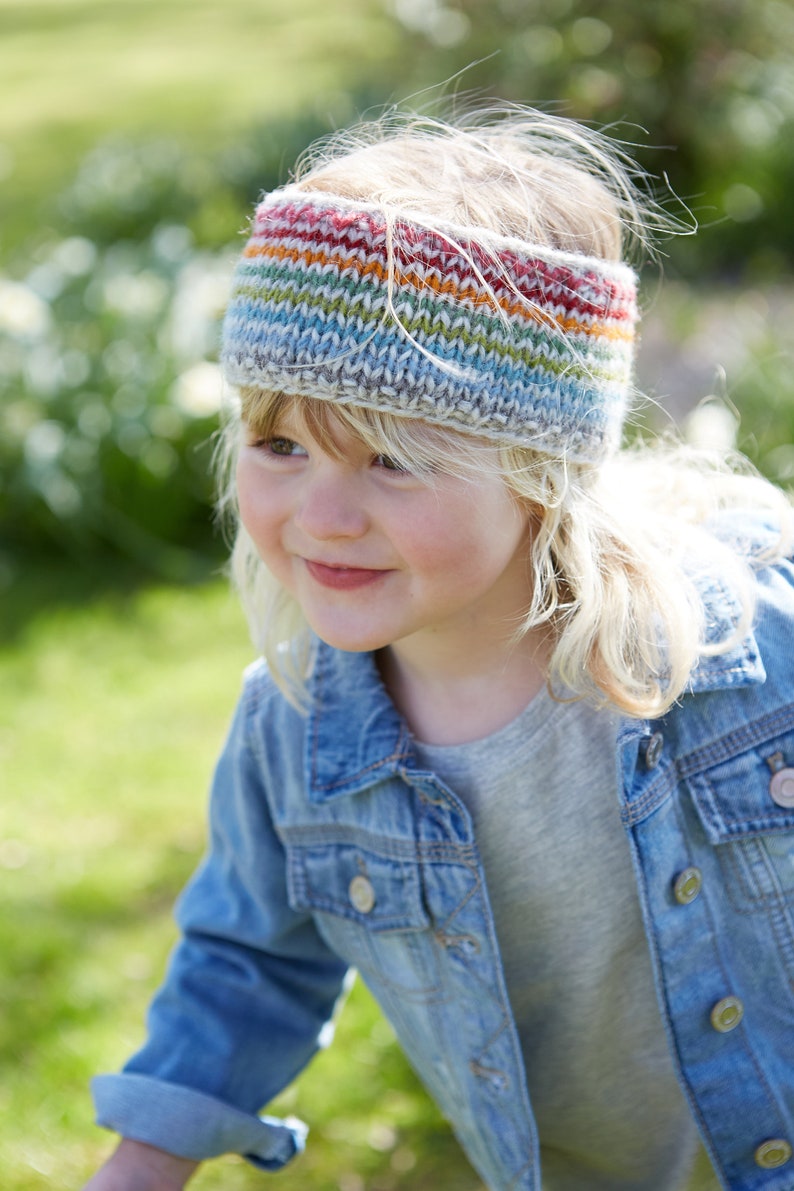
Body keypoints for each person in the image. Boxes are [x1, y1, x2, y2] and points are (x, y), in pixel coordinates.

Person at [84, 105, 794, 1191]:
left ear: (540, 466)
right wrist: (138, 1167)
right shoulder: (296, 738)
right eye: (278, 444)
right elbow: (248, 963)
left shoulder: (743, 648)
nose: (320, 516)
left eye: (390, 460)